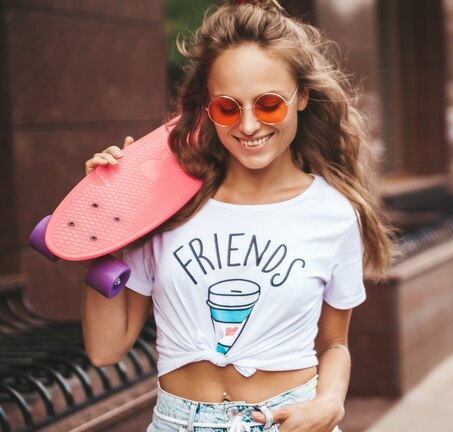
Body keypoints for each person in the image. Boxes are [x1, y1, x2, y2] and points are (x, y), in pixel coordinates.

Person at [82, 0, 392, 431]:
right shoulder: (167, 205)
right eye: (228, 107)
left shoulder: (334, 213)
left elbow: (335, 343)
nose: (248, 126)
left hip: (288, 419)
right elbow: (104, 349)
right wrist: (101, 224)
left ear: (301, 97)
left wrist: (330, 403)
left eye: (268, 105)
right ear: (207, 108)